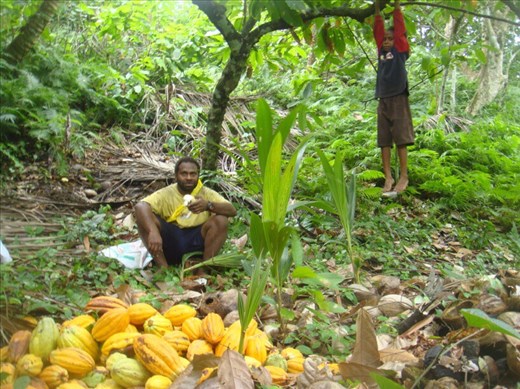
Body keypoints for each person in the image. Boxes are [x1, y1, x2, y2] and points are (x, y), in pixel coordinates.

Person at [134, 156, 237, 268]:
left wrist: (208, 205)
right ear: (176, 176)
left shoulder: (206, 193)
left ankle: (204, 267)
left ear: (198, 175)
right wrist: (152, 232)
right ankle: (163, 268)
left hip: (197, 241)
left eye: (193, 174)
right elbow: (141, 206)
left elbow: (232, 210)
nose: (189, 178)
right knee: (144, 220)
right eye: (184, 174)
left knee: (221, 220)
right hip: (170, 240)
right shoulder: (166, 193)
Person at [373, 0, 414, 194]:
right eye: (385, 39)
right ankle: (388, 177)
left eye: (390, 39)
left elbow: (399, 30)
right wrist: (376, 9)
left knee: (401, 138)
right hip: (383, 99)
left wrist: (397, 7)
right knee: (384, 140)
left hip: (398, 97)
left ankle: (404, 176)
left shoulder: (400, 51)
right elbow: (378, 31)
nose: (387, 41)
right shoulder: (381, 51)